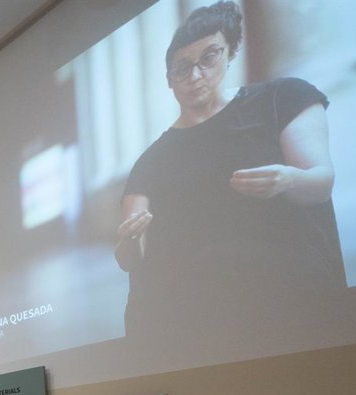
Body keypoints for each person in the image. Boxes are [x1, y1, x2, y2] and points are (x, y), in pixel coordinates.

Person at [115, 1, 343, 337]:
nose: (195, 76)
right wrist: (130, 238)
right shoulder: (150, 161)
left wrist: (288, 180)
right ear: (169, 80)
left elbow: (321, 182)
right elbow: (130, 258)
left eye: (208, 58)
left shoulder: (283, 98)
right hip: (189, 325)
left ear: (230, 51)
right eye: (182, 68)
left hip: (285, 300)